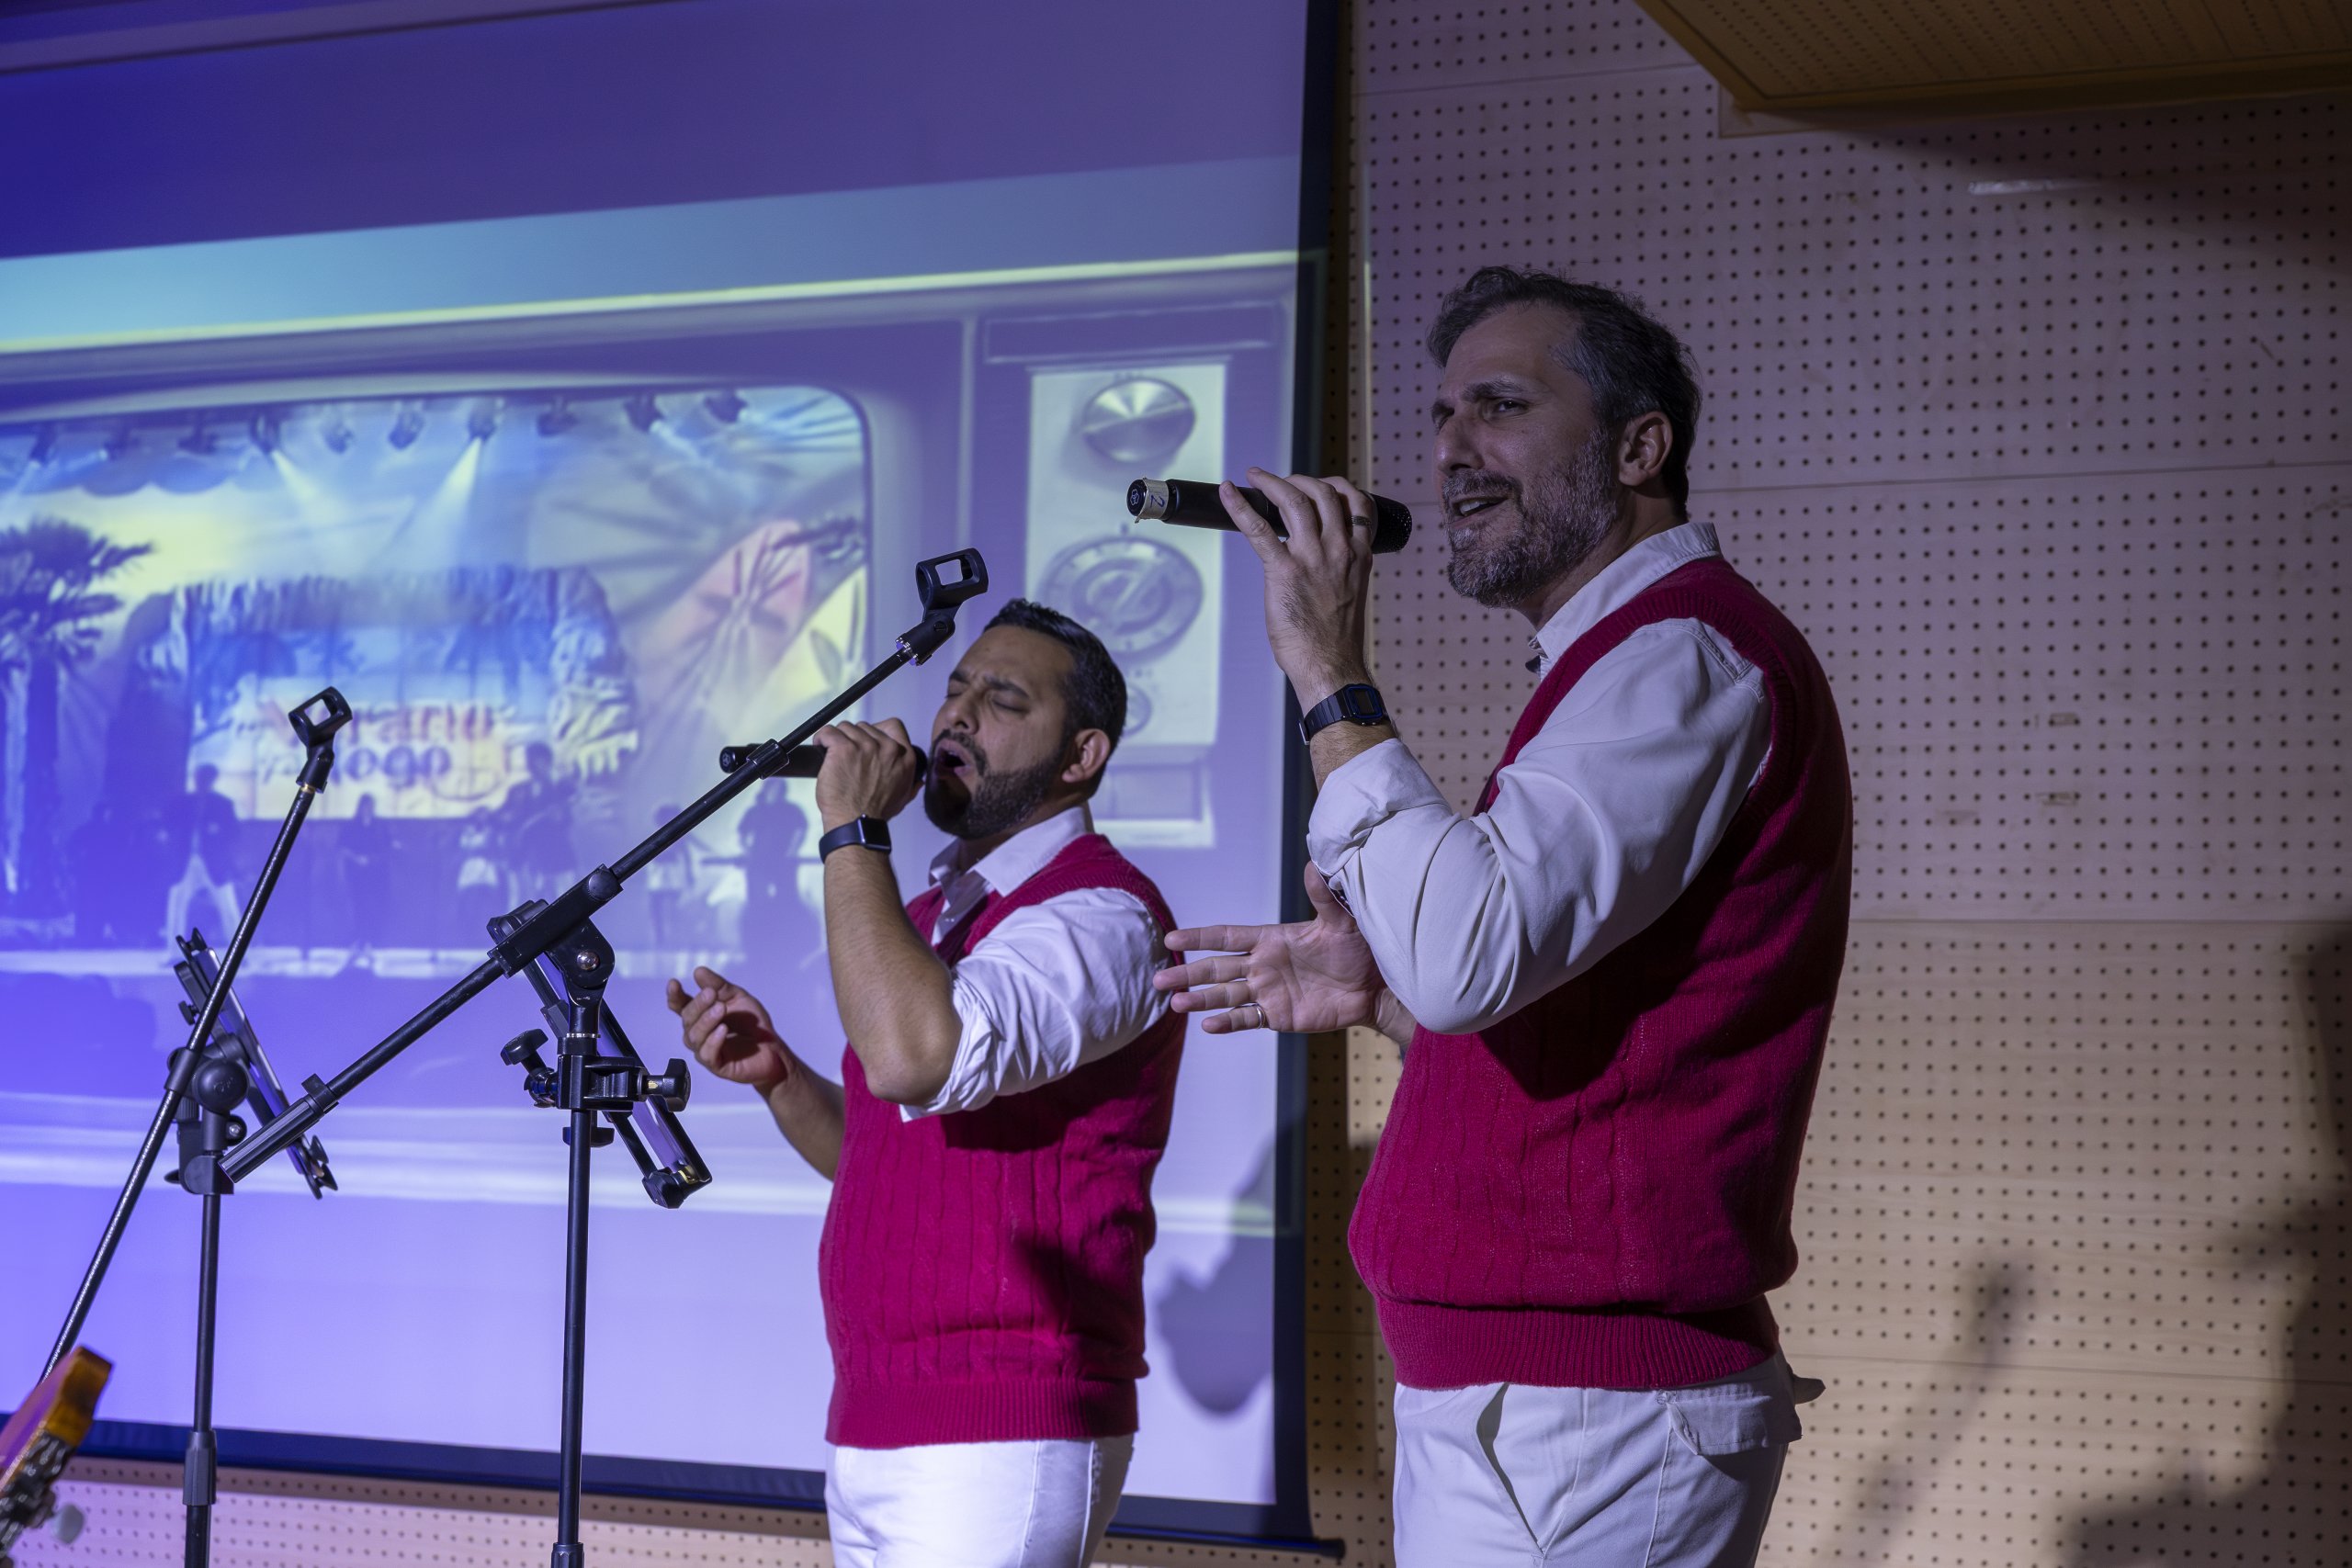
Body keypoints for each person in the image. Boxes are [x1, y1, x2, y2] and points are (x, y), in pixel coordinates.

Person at [1154, 267, 1852, 1567]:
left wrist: (1326, 664)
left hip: (1598, 1411)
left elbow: (1470, 952)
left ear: (1640, 446)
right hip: (1532, 1399)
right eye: (1442, 412)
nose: (1447, 448)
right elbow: (1563, 1023)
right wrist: (1382, 993)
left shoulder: (1683, 653)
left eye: (1501, 406)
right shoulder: (1623, 659)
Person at [666, 600, 1183, 1568]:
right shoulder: (933, 916)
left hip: (1001, 1421)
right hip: (881, 1411)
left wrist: (853, 828)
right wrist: (783, 1082)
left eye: (1001, 699)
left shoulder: (1104, 916)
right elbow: (887, 1157)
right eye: (955, 687)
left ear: (1080, 757)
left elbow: (915, 1058)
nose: (955, 716)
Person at [163, 763, 242, 946]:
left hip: (214, 862)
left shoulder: (222, 804)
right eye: (198, 778)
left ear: (212, 780)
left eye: (205, 778)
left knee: (228, 906)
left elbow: (234, 832)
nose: (201, 782)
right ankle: (173, 953)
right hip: (186, 861)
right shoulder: (182, 803)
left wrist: (218, 832)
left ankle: (238, 951)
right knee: (176, 904)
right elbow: (168, 824)